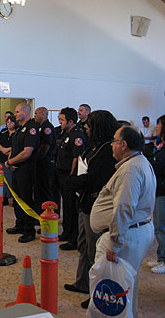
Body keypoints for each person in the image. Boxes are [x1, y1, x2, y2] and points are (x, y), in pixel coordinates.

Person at [90, 126, 156, 318]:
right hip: (136, 231)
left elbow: (124, 207)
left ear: (123, 145)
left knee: (112, 288)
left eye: (114, 140)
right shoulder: (139, 162)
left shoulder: (130, 170)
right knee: (127, 282)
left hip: (125, 236)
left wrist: (114, 242)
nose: (111, 144)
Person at [63, 110, 120, 308]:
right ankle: (82, 282)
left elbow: (95, 178)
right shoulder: (95, 146)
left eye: (89, 126)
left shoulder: (106, 150)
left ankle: (98, 292)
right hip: (85, 202)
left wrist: (72, 183)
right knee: (84, 245)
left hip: (96, 205)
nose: (85, 128)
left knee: (94, 250)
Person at [5, 103, 39, 243]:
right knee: (17, 199)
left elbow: (27, 152)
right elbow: (14, 148)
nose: (16, 114)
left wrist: (11, 162)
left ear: (26, 112)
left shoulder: (31, 129)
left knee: (25, 200)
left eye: (18, 112)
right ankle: (20, 224)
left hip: (26, 169)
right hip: (16, 169)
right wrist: (10, 161)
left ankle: (29, 230)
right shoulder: (19, 129)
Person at [56, 107, 86, 251]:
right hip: (61, 174)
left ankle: (73, 238)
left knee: (72, 208)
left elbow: (76, 158)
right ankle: (66, 232)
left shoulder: (77, 136)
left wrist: (71, 177)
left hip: (69, 176)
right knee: (66, 207)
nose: (59, 122)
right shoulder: (65, 133)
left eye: (62, 120)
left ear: (71, 121)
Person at [148, 115, 165, 274]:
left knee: (161, 226)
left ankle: (163, 260)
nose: (156, 127)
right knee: (158, 226)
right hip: (158, 189)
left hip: (163, 190)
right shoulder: (159, 144)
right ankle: (160, 257)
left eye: (158, 124)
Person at [34, 107, 56, 211]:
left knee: (45, 189)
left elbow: (45, 146)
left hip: (45, 163)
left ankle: (49, 213)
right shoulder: (40, 127)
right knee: (39, 189)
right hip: (40, 163)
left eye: (36, 113)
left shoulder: (47, 128)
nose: (34, 116)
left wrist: (36, 158)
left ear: (43, 114)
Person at [0, 115, 17, 205]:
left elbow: (17, 145)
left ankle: (13, 198)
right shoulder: (3, 132)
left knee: (11, 180)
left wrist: (9, 150)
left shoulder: (18, 133)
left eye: (11, 122)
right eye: (7, 122)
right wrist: (3, 149)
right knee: (2, 180)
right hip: (2, 159)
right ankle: (3, 198)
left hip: (12, 160)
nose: (9, 124)